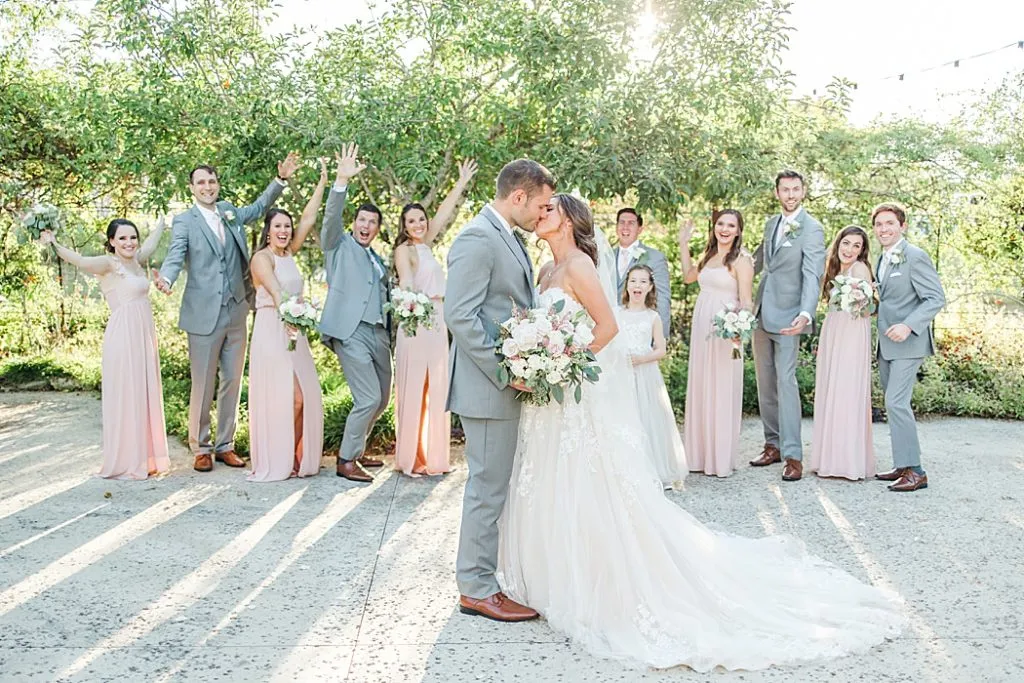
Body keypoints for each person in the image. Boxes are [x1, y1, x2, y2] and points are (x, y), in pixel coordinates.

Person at [496, 193, 905, 672]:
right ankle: (551, 574)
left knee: (591, 483)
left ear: (568, 220)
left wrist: (560, 363)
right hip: (550, 403)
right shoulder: (545, 270)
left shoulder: (581, 266)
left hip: (569, 391)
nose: (539, 215)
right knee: (548, 478)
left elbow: (605, 327)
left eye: (549, 210)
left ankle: (591, 579)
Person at [445, 158, 556, 622]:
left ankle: (485, 578)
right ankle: (475, 587)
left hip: (504, 387)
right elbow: (460, 316)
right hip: (487, 389)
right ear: (518, 197)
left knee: (495, 487)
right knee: (487, 490)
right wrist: (504, 370)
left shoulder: (506, 237)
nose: (542, 213)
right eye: (541, 204)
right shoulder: (477, 238)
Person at [155, 153, 300, 472]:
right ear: (191, 188)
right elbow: (176, 254)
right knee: (203, 383)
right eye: (201, 182)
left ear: (217, 184)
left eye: (212, 181)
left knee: (232, 381)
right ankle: (201, 447)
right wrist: (166, 278)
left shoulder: (230, 212)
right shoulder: (184, 221)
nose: (208, 186)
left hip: (236, 309)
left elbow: (260, 208)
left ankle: (226, 445)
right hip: (203, 313)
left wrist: (281, 180)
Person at [40, 218, 170, 479]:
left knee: (142, 392)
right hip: (124, 335)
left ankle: (144, 457)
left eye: (132, 237)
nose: (129, 242)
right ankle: (126, 460)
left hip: (143, 334)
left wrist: (162, 224)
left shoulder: (136, 260)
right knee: (127, 393)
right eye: (122, 238)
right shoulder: (108, 264)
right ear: (112, 241)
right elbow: (78, 260)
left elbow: (152, 245)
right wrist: (53, 242)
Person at [392, 159, 478, 477]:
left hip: (437, 321)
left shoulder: (426, 246)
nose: (418, 224)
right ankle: (411, 457)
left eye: (421, 219)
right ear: (404, 225)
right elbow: (405, 282)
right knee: (416, 387)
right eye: (411, 220)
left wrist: (461, 182)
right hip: (417, 321)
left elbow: (442, 215)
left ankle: (432, 456)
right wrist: (411, 303)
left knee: (434, 388)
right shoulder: (406, 250)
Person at [247, 158, 328, 482]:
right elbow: (277, 291)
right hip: (272, 330)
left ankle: (294, 456)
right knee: (289, 397)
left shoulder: (289, 252)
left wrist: (324, 180)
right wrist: (295, 312)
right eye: (278, 226)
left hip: (296, 333)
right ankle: (279, 457)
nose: (284, 231)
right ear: (268, 231)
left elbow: (309, 216)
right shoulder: (262, 259)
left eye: (287, 226)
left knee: (305, 397)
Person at [318, 144, 392, 483]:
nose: (366, 225)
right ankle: (346, 460)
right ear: (354, 222)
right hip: (351, 331)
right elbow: (331, 216)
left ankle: (357, 449)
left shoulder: (377, 258)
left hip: (379, 334)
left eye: (372, 222)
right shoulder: (338, 245)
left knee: (382, 398)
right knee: (368, 397)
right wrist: (341, 180)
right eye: (362, 220)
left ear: (377, 228)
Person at [750, 170, 826, 482]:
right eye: (785, 189)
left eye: (796, 189)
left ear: (803, 191)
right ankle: (773, 444)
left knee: (787, 382)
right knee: (764, 381)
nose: (791, 194)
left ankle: (793, 455)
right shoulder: (771, 224)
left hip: (790, 318)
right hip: (760, 312)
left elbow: (813, 274)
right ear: (777, 192)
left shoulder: (812, 228)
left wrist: (806, 313)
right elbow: (755, 262)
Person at [871, 203, 946, 492]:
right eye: (879, 224)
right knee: (894, 405)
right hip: (887, 344)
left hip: (910, 343)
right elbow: (888, 300)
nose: (884, 229)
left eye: (890, 223)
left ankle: (916, 471)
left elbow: (935, 298)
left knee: (896, 402)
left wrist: (908, 325)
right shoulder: (883, 258)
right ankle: (902, 465)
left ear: (903, 226)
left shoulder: (915, 256)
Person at [678, 211, 754, 478]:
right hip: (702, 328)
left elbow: (746, 300)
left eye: (731, 225)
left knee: (721, 388)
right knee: (702, 385)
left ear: (738, 230)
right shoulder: (709, 255)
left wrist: (739, 329)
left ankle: (719, 459)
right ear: (715, 227)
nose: (724, 229)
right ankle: (698, 456)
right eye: (721, 223)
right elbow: (688, 277)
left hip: (725, 332)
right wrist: (683, 243)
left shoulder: (742, 260)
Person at [810, 226, 876, 481]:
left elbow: (868, 308)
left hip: (851, 333)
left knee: (846, 391)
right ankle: (831, 457)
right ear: (838, 244)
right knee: (832, 390)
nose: (849, 250)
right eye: (846, 243)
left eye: (856, 246)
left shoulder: (860, 269)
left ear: (862, 250)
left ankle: (847, 462)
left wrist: (858, 300)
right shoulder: (836, 270)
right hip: (834, 330)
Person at [616, 264, 685, 488]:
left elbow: (661, 350)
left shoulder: (652, 317)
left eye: (643, 281)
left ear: (650, 287)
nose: (638, 285)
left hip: (644, 374)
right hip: (621, 373)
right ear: (627, 285)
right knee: (623, 418)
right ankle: (624, 468)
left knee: (646, 418)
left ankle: (651, 469)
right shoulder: (617, 313)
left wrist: (641, 359)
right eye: (633, 280)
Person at [613, 208, 671, 337]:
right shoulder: (606, 257)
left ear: (640, 229)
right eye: (621, 222)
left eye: (631, 223)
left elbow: (662, 299)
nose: (625, 227)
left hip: (640, 331)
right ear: (616, 227)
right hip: (610, 331)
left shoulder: (655, 257)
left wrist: (661, 337)